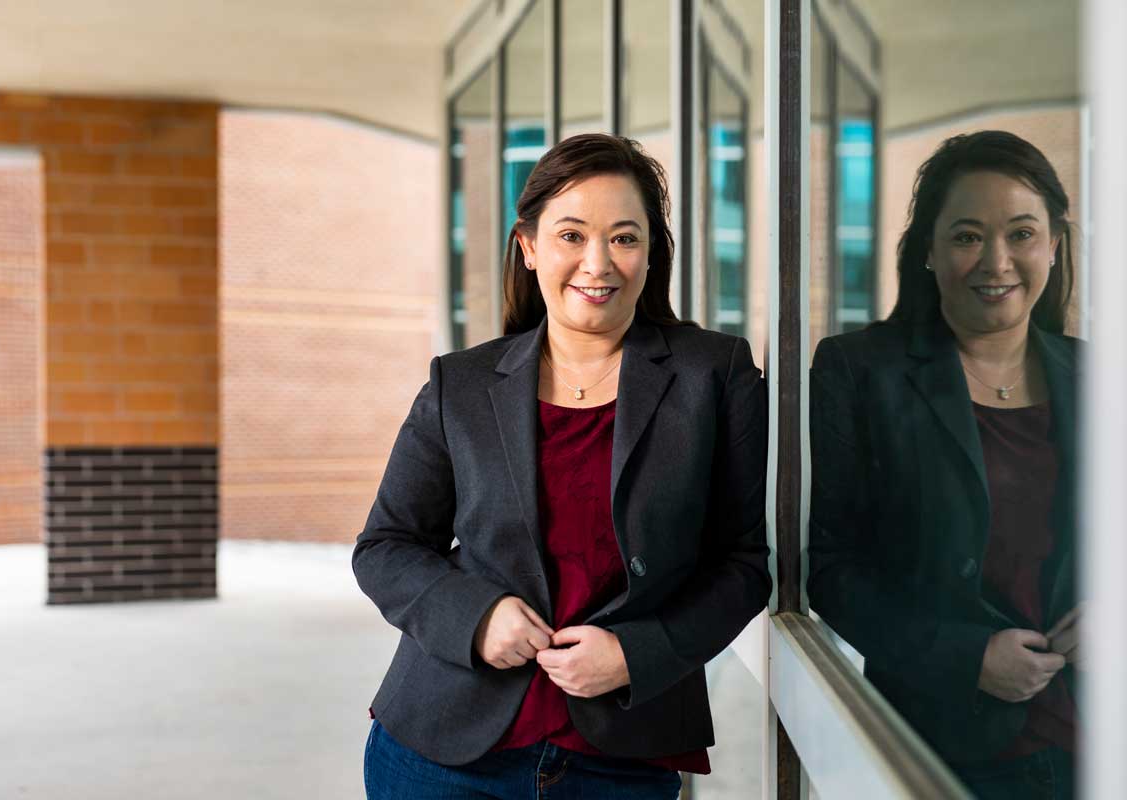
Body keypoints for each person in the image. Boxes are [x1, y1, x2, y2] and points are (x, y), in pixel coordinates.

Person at [354, 133, 771, 799]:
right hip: (441, 753)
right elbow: (386, 547)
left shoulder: (714, 376)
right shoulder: (459, 385)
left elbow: (744, 564)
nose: (597, 263)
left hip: (623, 760)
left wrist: (639, 653)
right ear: (528, 246)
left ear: (651, 250)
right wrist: (477, 617)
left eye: (624, 238)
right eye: (572, 235)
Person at [808, 130, 1081, 799]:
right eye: (966, 236)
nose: (997, 260)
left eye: (1021, 233)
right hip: (938, 746)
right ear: (928, 251)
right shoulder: (859, 371)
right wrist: (965, 658)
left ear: (1053, 244)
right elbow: (832, 571)